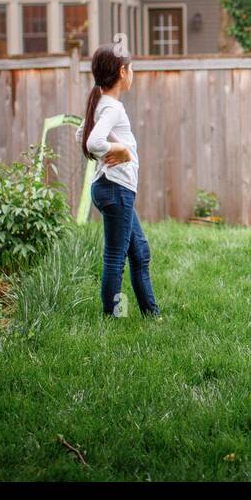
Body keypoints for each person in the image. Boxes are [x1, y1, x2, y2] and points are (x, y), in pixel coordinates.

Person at [80, 45, 160, 318]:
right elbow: (92, 141)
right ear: (122, 72)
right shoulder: (112, 107)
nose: (132, 74)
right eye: (131, 68)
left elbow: (83, 133)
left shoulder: (100, 102)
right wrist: (121, 150)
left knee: (140, 252)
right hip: (116, 189)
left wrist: (113, 145)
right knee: (115, 256)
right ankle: (112, 317)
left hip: (109, 188)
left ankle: (152, 314)